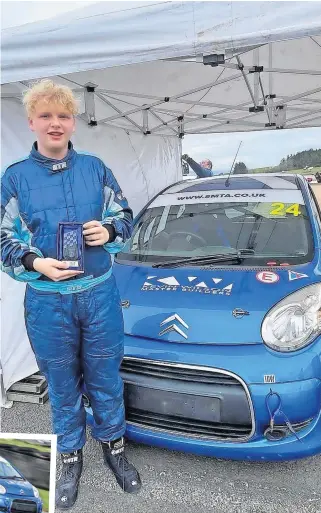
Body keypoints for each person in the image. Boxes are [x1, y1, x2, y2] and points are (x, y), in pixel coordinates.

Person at [1, 80, 141, 510]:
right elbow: (2, 236)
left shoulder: (96, 169)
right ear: (32, 123)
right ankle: (70, 454)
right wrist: (33, 262)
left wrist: (111, 230)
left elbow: (126, 215)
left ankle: (114, 448)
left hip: (98, 295)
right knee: (61, 384)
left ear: (74, 122)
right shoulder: (15, 178)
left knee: (105, 379)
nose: (55, 123)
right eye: (46, 116)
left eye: (63, 116)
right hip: (48, 302)